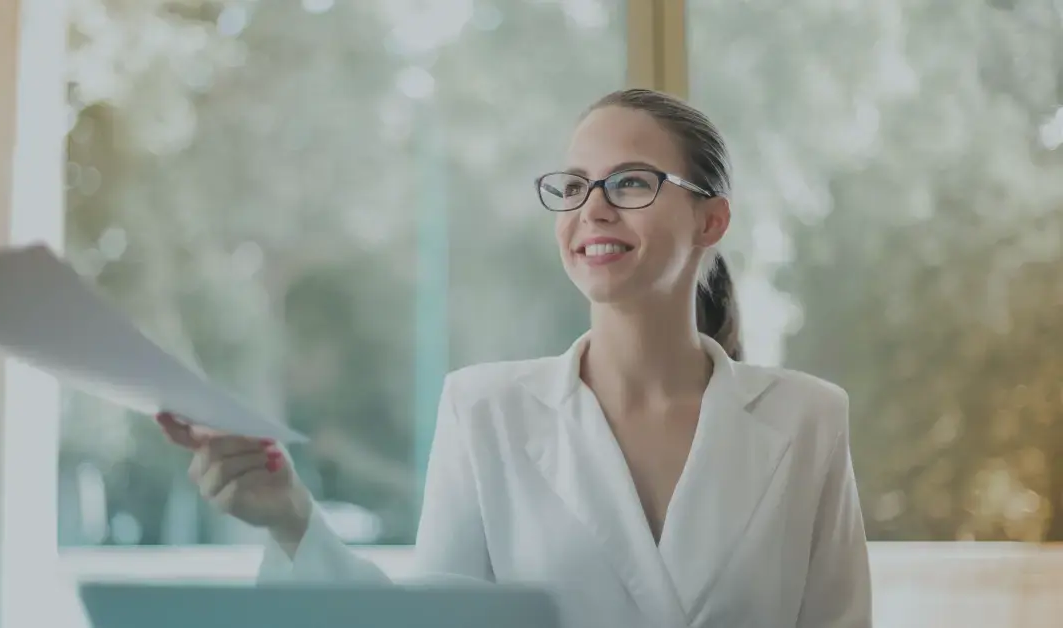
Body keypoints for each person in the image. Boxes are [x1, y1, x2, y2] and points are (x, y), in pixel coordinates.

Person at [157, 88, 872, 628]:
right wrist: (290, 518)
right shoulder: (484, 412)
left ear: (711, 218)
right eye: (573, 186)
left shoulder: (807, 418)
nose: (592, 208)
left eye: (629, 182)